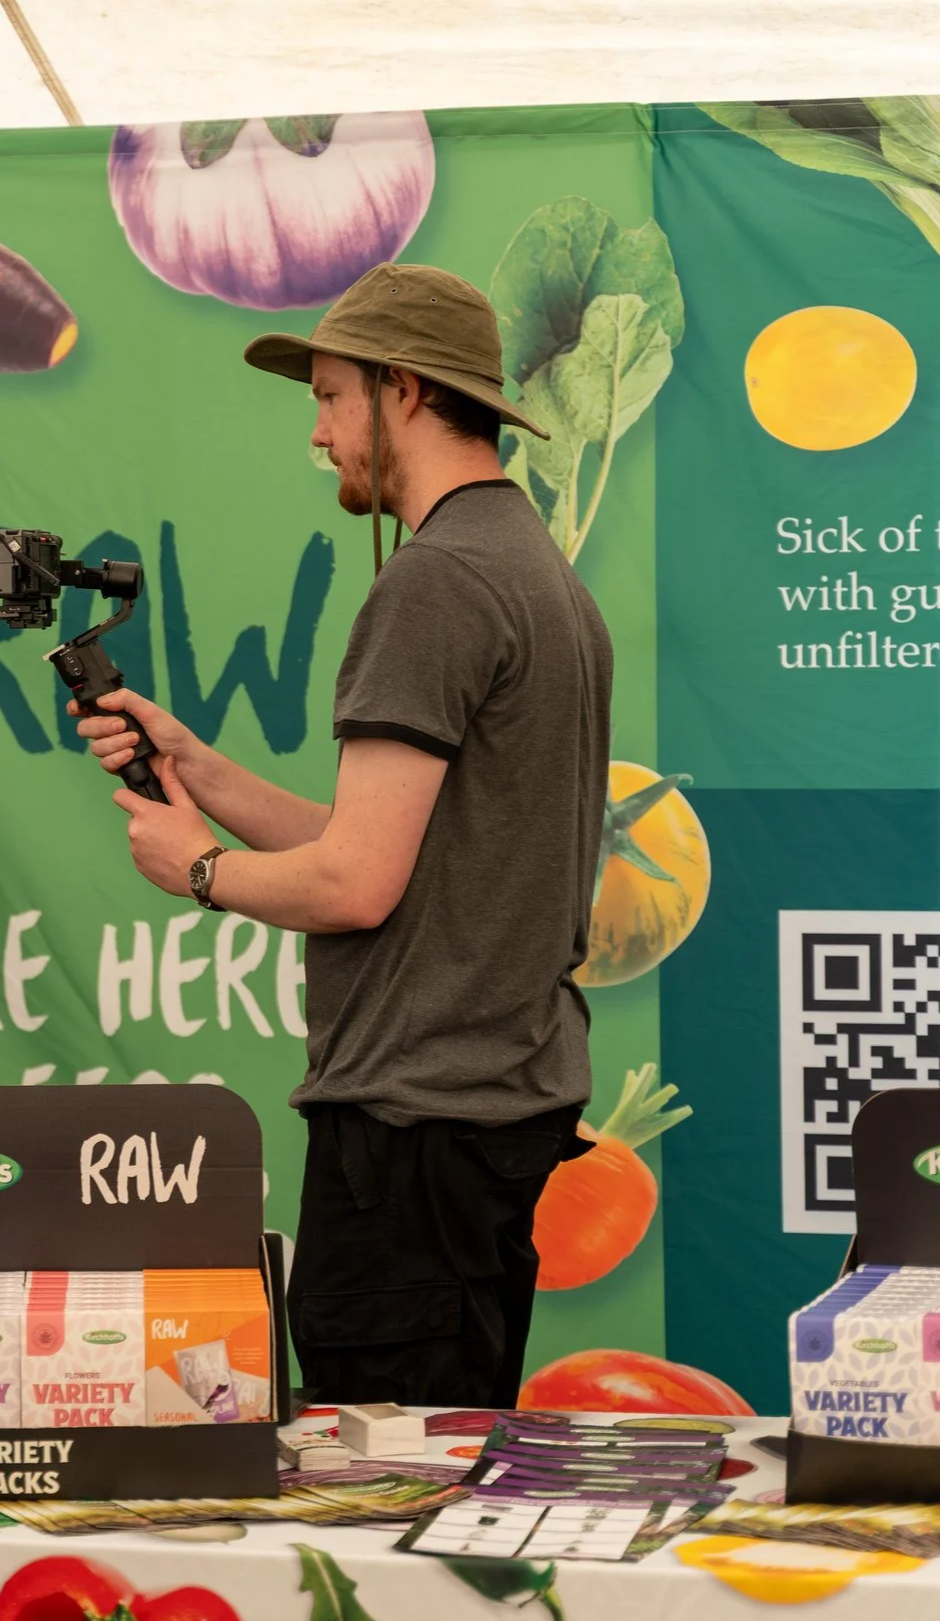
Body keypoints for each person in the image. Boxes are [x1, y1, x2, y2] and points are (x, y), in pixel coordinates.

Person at [72, 263, 613, 1409]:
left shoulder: (435, 583)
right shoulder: (536, 573)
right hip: (490, 1112)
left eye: (327, 397)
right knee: (455, 1463)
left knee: (390, 1490)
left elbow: (358, 881)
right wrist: (201, 768)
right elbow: (407, 844)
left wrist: (198, 869)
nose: (318, 434)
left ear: (401, 390)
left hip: (414, 1130)